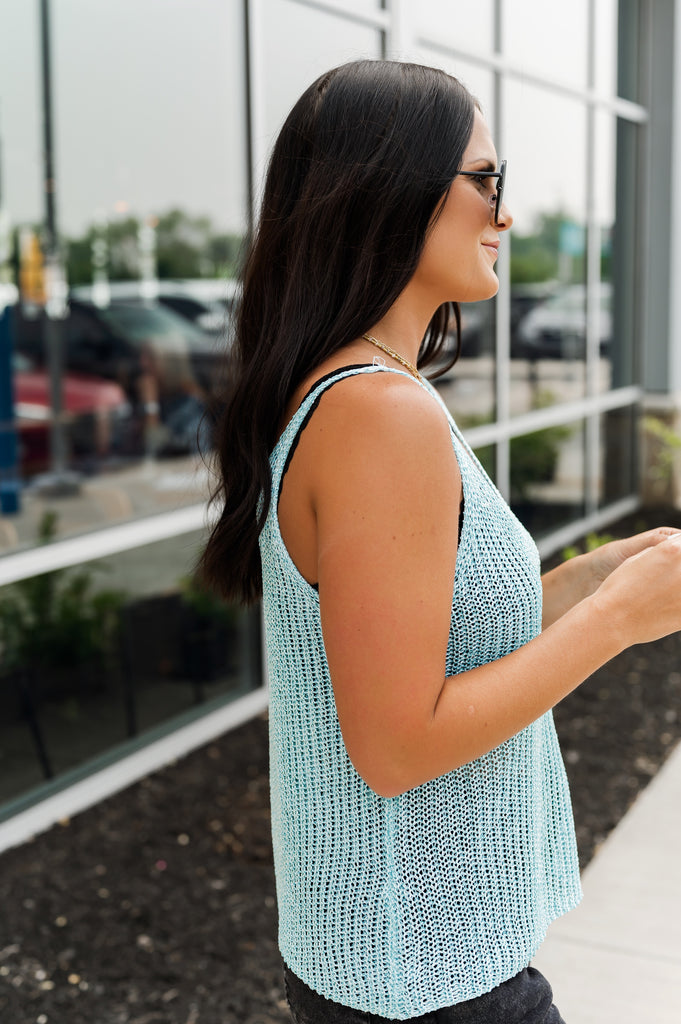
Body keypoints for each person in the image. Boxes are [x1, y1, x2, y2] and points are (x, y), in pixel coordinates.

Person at [199, 60, 681, 1024]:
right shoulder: (379, 412)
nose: (505, 214)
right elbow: (397, 744)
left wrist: (593, 579)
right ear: (390, 188)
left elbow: (431, 635)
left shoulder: (364, 389)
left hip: (408, 960)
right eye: (486, 180)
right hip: (424, 975)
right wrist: (616, 625)